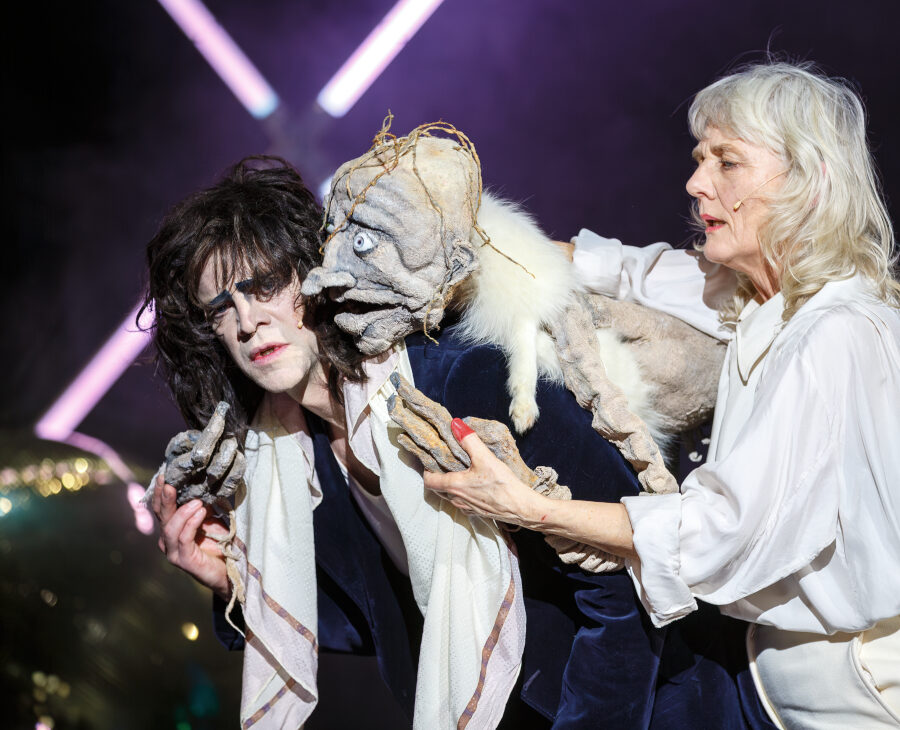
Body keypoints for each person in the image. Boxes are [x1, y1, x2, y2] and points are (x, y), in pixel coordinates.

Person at [144, 157, 771, 728]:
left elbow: (625, 581)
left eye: (264, 285)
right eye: (220, 307)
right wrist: (229, 584)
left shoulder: (463, 377)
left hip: (656, 708)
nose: (248, 321)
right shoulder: (294, 457)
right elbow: (387, 621)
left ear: (316, 275)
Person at [422, 62, 900, 729]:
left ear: (809, 182)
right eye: (700, 159)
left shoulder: (835, 333)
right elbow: (631, 271)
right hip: (754, 676)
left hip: (847, 706)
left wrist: (532, 509)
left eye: (727, 162)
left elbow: (720, 532)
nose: (697, 182)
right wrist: (464, 231)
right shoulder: (758, 294)